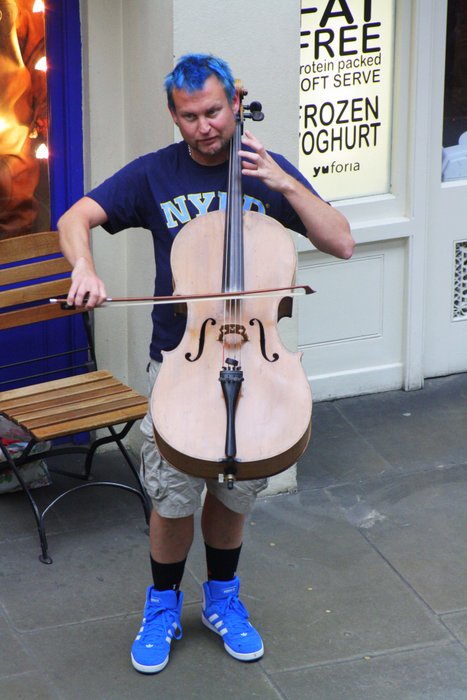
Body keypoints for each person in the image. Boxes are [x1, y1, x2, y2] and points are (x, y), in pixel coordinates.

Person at [58, 53, 354, 675]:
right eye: (190, 116)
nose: (205, 127)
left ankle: (223, 596)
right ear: (175, 116)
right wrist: (84, 266)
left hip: (259, 359)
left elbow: (341, 240)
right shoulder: (153, 176)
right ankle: (162, 603)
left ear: (234, 106)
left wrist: (285, 182)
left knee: (237, 490)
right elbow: (74, 216)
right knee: (171, 496)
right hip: (182, 360)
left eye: (214, 111)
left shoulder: (267, 174)